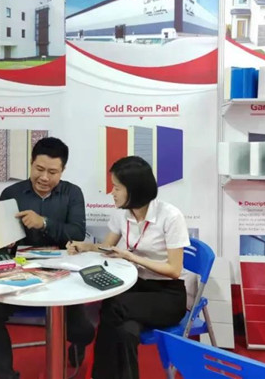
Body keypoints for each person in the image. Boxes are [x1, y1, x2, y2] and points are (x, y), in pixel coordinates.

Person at [0, 137, 95, 379]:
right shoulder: (11, 193)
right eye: (39, 169)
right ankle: (6, 376)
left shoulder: (72, 193)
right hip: (21, 271)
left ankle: (76, 346)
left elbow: (77, 233)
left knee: (84, 332)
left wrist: (44, 223)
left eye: (52, 172)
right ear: (31, 164)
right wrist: (2, 240)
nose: (44, 177)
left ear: (62, 170)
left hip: (64, 274)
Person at [67, 156, 190, 379]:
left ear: (134, 189)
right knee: (126, 331)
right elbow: (107, 247)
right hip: (136, 289)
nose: (112, 193)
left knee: (113, 305)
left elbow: (174, 269)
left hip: (167, 295)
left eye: (116, 188)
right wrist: (85, 247)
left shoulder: (170, 216)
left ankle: (99, 376)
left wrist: (131, 257)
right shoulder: (122, 213)